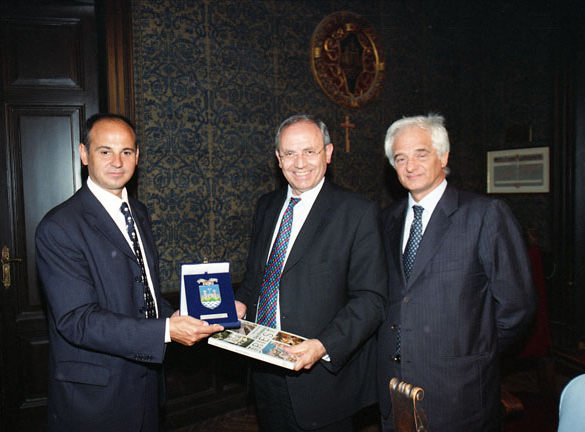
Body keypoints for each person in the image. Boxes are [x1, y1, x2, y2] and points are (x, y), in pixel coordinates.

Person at [36, 113, 222, 432]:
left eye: (126, 152)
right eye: (105, 151)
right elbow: (78, 320)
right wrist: (166, 331)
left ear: (137, 156)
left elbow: (143, 291)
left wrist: (174, 314)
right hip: (95, 399)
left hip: (146, 385)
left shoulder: (138, 212)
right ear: (84, 154)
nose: (117, 162)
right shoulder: (59, 227)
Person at [376, 114, 537, 431]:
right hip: (395, 386)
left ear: (443, 156)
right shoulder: (387, 219)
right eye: (400, 158)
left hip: (459, 390)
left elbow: (518, 305)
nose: (410, 166)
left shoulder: (484, 215)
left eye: (421, 154)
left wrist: (473, 352)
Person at [234, 114, 387, 431]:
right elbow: (256, 278)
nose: (300, 162)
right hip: (264, 370)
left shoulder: (357, 211)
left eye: (309, 151)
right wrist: (239, 304)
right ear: (278, 159)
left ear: (328, 153)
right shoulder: (266, 206)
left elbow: (370, 299)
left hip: (322, 381)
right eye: (290, 153)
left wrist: (322, 346)